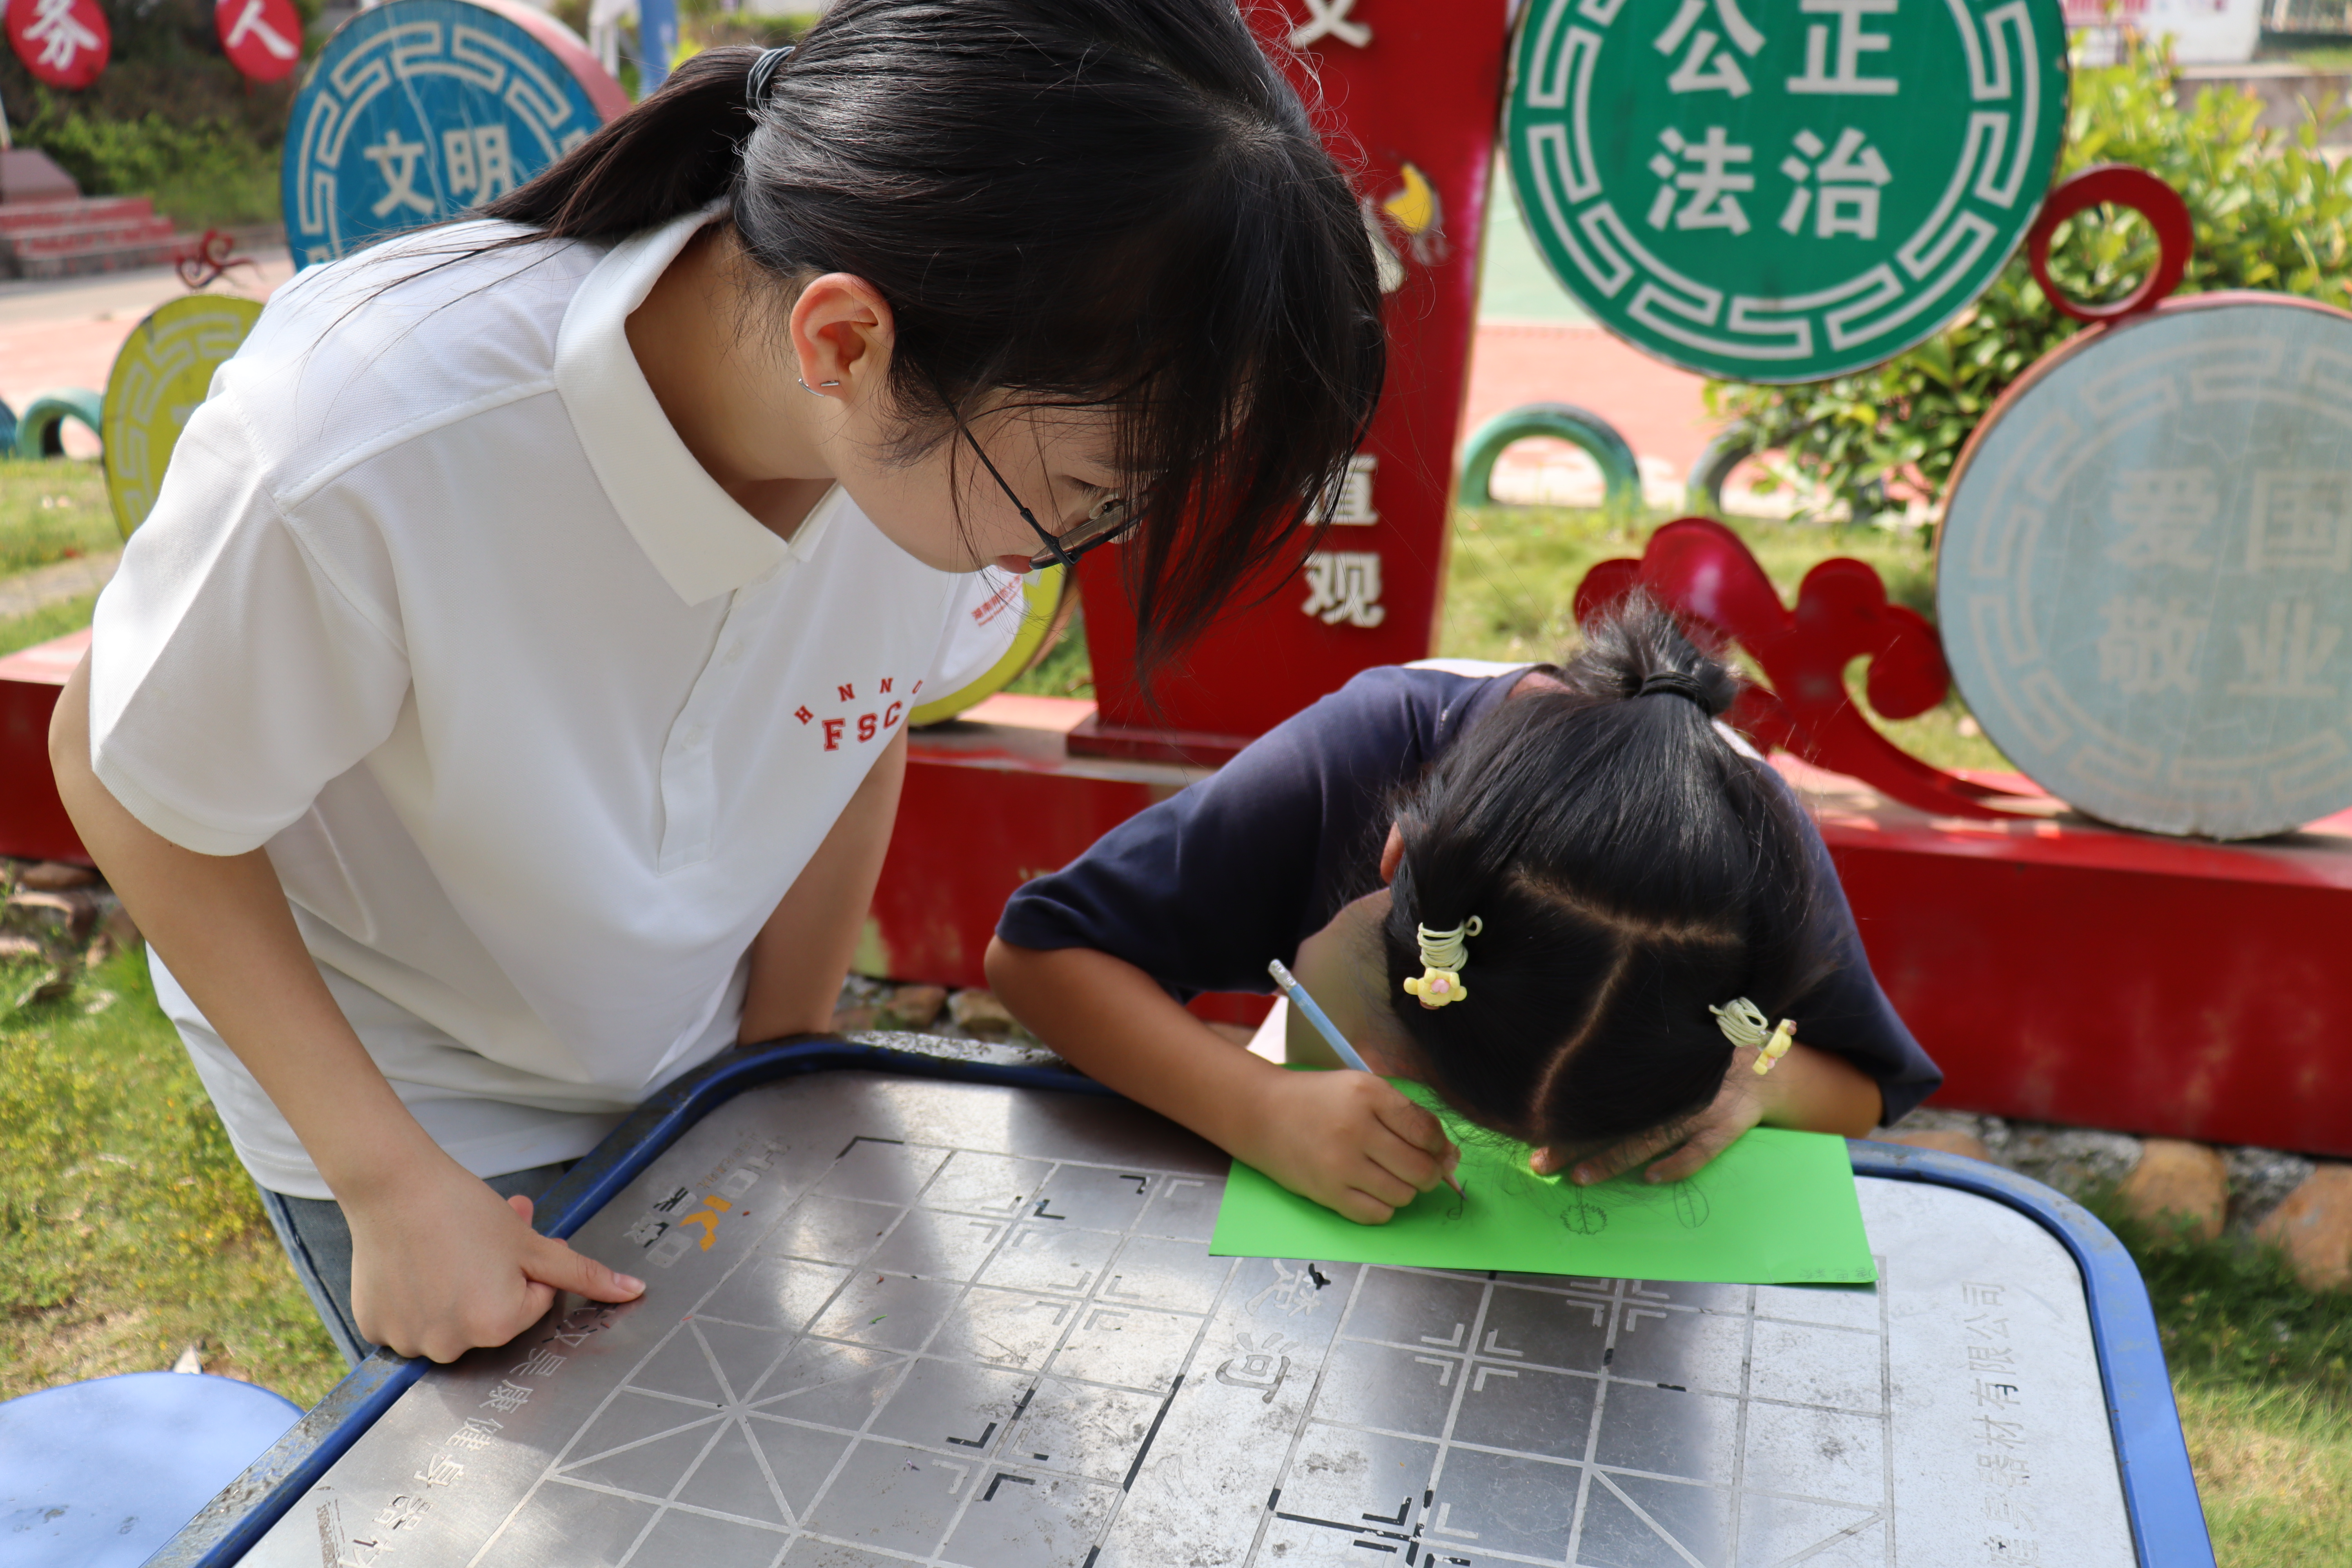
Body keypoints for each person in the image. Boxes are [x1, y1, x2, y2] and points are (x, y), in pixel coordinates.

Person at [49, 2, 1383, 1364]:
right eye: (1094, 497)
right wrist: (387, 1183)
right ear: (845, 344)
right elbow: (123, 770)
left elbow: (856, 727)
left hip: (690, 1054)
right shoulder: (365, 442)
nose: (1090, 540)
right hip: (413, 1091)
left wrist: (782, 1061)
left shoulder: (924, 438)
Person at [987, 597, 1941, 1224]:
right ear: (1395, 862)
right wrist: (1259, 1107)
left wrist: (1767, 1084)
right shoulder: (1358, 753)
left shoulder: (1750, 851)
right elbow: (1036, 955)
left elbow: (1867, 1085)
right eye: (1418, 1058)